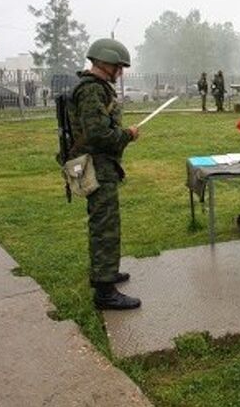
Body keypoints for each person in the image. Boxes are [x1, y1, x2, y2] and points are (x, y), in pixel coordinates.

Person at [67, 38, 141, 310]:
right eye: (118, 67)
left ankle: (106, 273)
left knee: (106, 223)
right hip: (96, 166)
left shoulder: (95, 89)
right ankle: (104, 291)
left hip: (101, 165)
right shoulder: (91, 92)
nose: (120, 72)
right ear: (105, 63)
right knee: (104, 226)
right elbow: (99, 135)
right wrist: (127, 135)